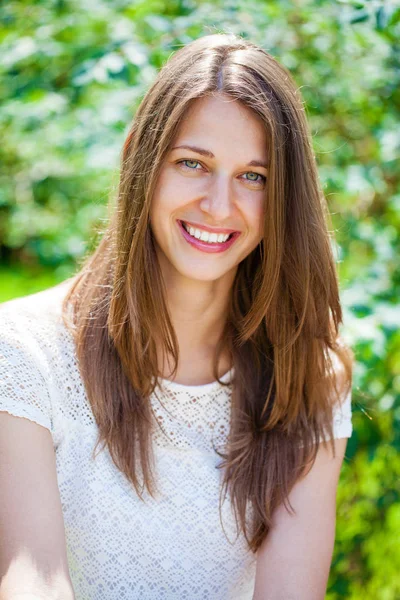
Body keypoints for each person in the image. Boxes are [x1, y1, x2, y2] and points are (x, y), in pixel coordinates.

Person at [0, 33, 354, 600]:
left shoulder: (310, 376)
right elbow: (32, 580)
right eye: (193, 163)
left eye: (253, 177)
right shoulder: (24, 352)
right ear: (139, 157)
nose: (219, 205)